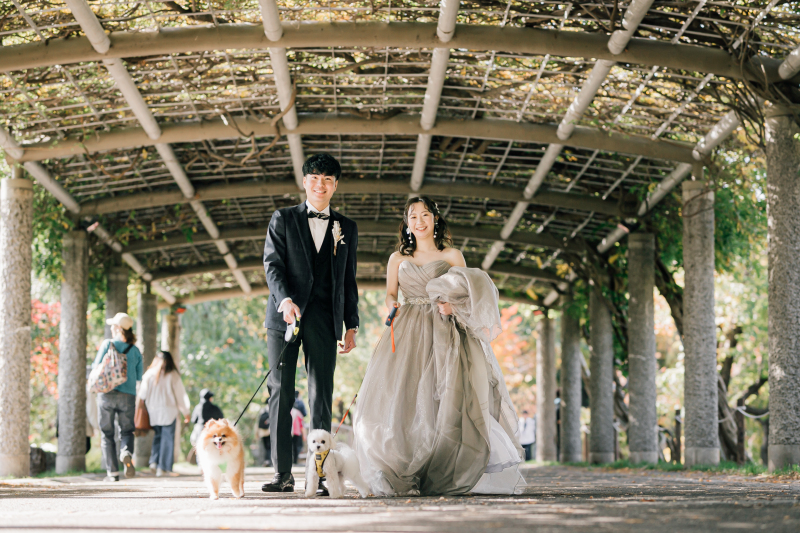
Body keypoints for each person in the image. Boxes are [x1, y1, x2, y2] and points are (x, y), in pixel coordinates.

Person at [354, 197, 526, 496]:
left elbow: (469, 291)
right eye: (412, 216)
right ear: (406, 223)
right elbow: (390, 293)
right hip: (408, 328)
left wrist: (451, 306)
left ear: (435, 219)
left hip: (444, 330)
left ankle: (442, 465)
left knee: (444, 397)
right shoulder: (397, 258)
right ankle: (404, 464)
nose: (419, 221)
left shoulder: (452, 255)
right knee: (404, 397)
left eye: (424, 215)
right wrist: (391, 303)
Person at [261, 153, 360, 495]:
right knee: (281, 392)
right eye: (314, 178)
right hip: (284, 316)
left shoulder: (346, 227)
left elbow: (349, 280)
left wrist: (351, 324)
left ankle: (319, 476)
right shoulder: (283, 219)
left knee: (321, 396)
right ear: (305, 182)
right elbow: (272, 265)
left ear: (335, 185)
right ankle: (283, 474)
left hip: (324, 318)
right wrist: (284, 299)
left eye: (328, 180)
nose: (320, 185)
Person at [93, 313, 143, 482]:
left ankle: (112, 474)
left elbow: (96, 366)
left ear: (118, 328)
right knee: (127, 430)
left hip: (107, 393)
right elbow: (138, 376)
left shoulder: (108, 344)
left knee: (107, 433)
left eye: (113, 325)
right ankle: (126, 452)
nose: (111, 328)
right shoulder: (135, 350)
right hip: (127, 395)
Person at [137, 351, 190, 477]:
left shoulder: (149, 374)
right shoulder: (173, 375)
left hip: (153, 411)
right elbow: (180, 396)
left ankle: (154, 462)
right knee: (167, 438)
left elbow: (142, 395)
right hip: (169, 411)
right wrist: (186, 412)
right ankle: (163, 467)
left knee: (158, 436)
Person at [257, 400, 271, 467]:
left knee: (266, 447)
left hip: (263, 432)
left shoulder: (263, 410)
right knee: (270, 447)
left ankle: (267, 460)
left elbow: (258, 422)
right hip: (270, 431)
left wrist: (257, 432)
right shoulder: (273, 409)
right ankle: (269, 460)